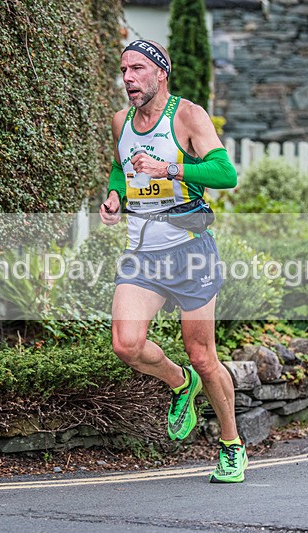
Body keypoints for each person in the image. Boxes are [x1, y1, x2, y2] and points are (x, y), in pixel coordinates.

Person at [99, 39, 246, 483]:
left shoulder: (188, 116)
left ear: (161, 74)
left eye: (138, 69)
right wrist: (114, 196)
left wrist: (172, 169)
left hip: (190, 252)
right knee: (126, 345)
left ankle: (231, 443)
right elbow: (119, 167)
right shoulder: (120, 121)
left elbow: (226, 175)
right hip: (142, 254)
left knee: (203, 354)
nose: (128, 78)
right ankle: (180, 382)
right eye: (124, 70)